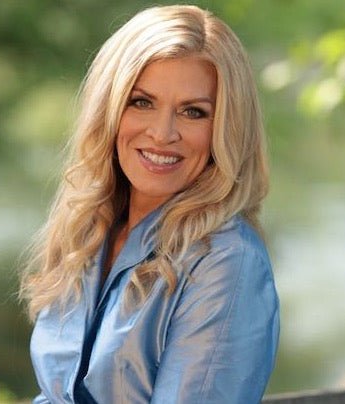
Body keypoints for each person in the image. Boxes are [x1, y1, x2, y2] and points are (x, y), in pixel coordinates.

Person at [20, 4, 280, 404]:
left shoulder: (227, 262)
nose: (162, 133)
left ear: (225, 128)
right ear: (109, 108)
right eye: (142, 102)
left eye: (193, 112)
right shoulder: (88, 227)